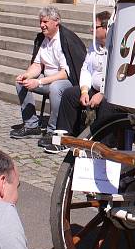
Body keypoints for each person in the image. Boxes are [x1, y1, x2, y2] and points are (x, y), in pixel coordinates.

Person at [45, 11, 122, 154]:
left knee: (107, 103)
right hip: (94, 88)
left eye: (95, 26)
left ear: (106, 28)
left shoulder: (118, 48)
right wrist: (85, 90)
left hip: (112, 91)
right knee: (69, 94)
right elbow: (86, 68)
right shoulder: (94, 46)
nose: (92, 29)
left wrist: (102, 93)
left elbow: (117, 74)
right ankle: (65, 137)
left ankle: (102, 146)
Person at [11, 7, 86, 140]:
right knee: (21, 83)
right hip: (47, 79)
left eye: (45, 22)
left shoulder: (66, 39)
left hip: (67, 81)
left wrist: (39, 82)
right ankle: (31, 125)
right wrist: (27, 75)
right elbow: (37, 64)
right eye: (41, 22)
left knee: (55, 87)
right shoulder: (43, 39)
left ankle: (53, 130)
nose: (42, 25)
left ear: (56, 22)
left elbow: (65, 73)